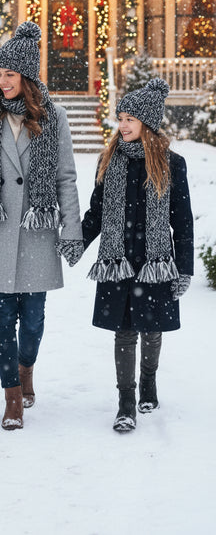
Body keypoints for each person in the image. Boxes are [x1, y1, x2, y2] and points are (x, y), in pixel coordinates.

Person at [0, 21, 84, 430]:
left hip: (38, 230)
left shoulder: (55, 116)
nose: (2, 81)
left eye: (10, 74)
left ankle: (26, 370)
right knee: (2, 317)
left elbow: (66, 178)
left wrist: (71, 231)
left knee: (35, 318)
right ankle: (11, 396)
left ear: (27, 76)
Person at [81, 78, 194, 433]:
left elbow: (183, 220)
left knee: (153, 328)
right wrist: (74, 243)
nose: (123, 125)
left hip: (155, 264)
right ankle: (125, 401)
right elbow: (96, 213)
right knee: (125, 331)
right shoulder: (108, 160)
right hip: (118, 261)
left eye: (130, 118)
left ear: (147, 123)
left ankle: (149, 383)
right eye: (121, 118)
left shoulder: (171, 164)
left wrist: (185, 269)